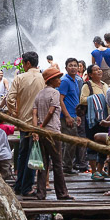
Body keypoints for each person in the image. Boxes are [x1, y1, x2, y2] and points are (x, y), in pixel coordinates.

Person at [31, 67, 73, 200]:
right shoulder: (54, 93)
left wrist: (36, 129)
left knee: (43, 164)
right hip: (52, 132)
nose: (60, 81)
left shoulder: (39, 94)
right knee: (57, 163)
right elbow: (51, 111)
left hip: (42, 133)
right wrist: (43, 125)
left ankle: (41, 193)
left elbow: (34, 113)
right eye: (58, 78)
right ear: (52, 80)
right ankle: (61, 193)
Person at [7, 51, 45, 195]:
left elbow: (10, 99)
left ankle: (19, 185)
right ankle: (26, 188)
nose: (22, 66)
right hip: (39, 123)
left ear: (28, 63)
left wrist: (15, 114)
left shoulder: (19, 78)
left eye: (23, 63)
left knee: (23, 153)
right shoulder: (44, 78)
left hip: (23, 122)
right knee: (33, 152)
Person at [79, 63, 110, 179]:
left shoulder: (105, 85)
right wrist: (98, 99)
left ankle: (100, 169)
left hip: (105, 119)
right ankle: (93, 171)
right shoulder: (87, 85)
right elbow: (82, 100)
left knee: (103, 143)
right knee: (92, 143)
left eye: (99, 69)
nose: (99, 71)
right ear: (91, 74)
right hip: (92, 120)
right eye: (96, 70)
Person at [58, 58, 83, 173]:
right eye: (70, 65)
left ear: (78, 68)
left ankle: (67, 165)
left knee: (71, 141)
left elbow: (74, 99)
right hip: (66, 116)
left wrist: (77, 115)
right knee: (70, 141)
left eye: (75, 65)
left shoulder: (75, 80)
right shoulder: (65, 81)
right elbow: (60, 99)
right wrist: (67, 116)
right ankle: (66, 167)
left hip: (73, 115)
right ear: (66, 68)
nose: (73, 67)